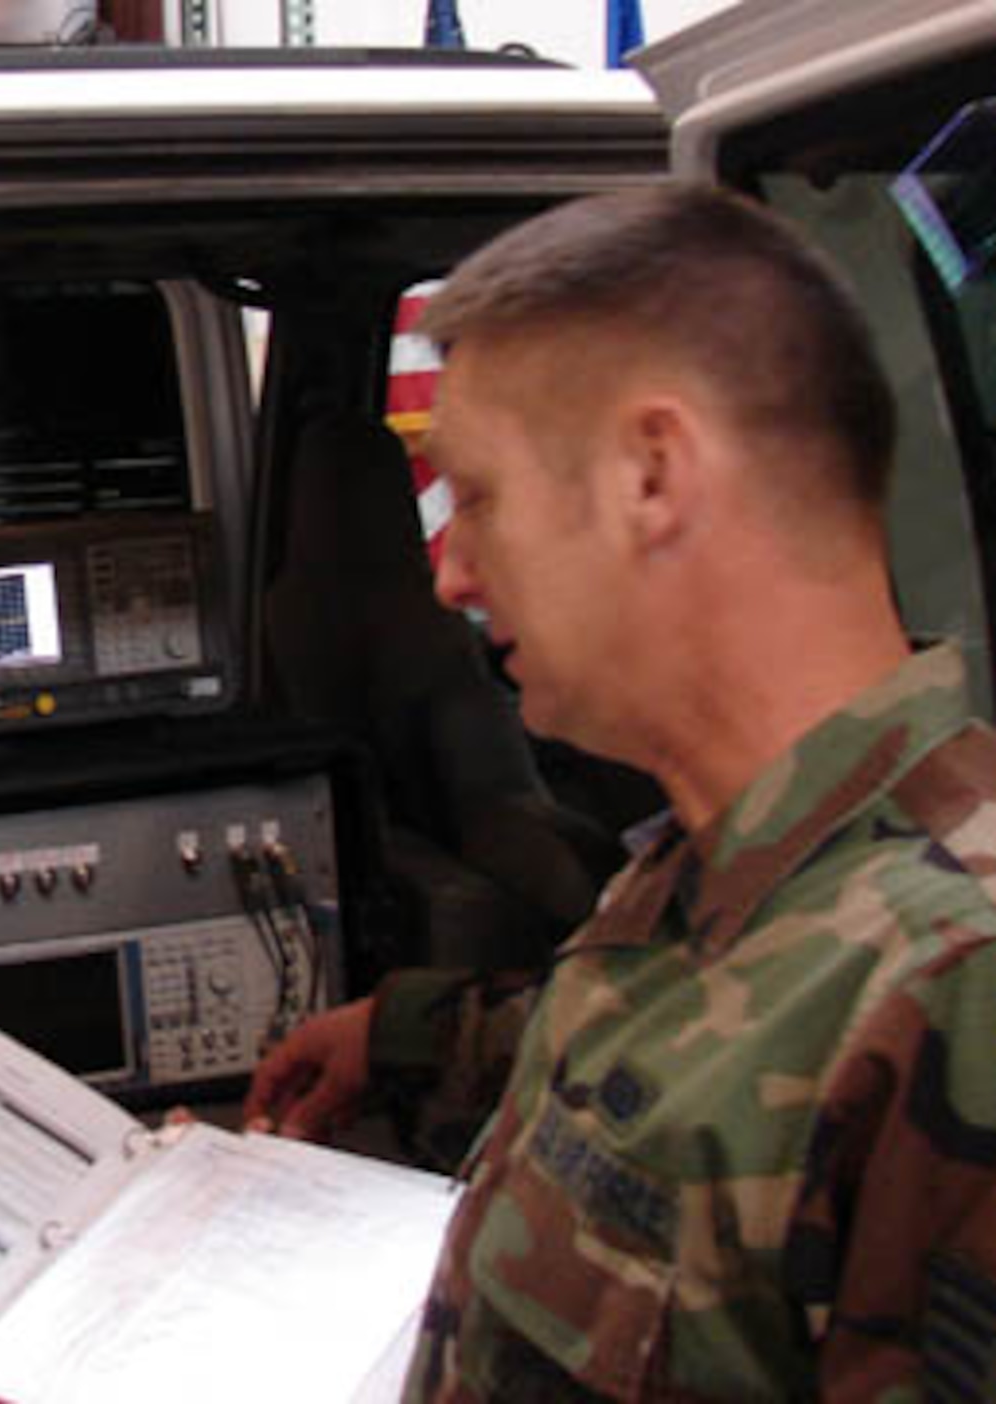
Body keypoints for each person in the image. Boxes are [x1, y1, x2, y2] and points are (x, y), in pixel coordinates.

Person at [247, 185, 996, 1398]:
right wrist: (401, 1033)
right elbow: (674, 1053)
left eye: (478, 498)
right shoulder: (712, 862)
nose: (454, 577)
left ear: (652, 473)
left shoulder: (957, 987)